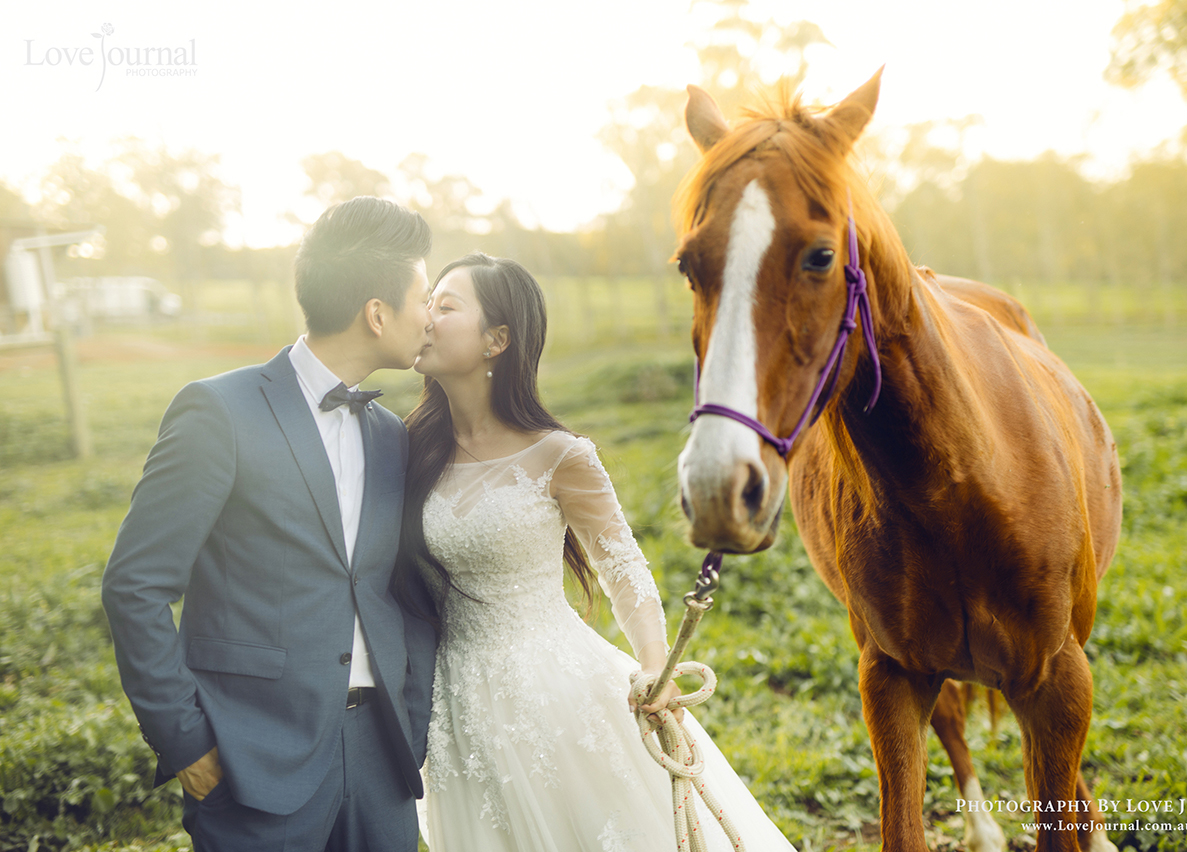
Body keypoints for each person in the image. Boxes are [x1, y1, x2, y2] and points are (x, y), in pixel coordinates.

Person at [396, 252, 795, 849]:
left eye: (446, 306)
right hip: (451, 706)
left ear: (496, 340)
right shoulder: (405, 449)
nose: (426, 317)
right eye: (427, 303)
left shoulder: (560, 455)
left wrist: (656, 664)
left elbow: (622, 566)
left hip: (556, 693)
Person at [101, 196, 438, 851]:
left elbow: (407, 594)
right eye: (423, 297)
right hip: (253, 762)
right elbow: (135, 585)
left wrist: (412, 720)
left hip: (382, 764)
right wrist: (185, 740)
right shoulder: (217, 412)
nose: (429, 317)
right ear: (377, 313)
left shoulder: (393, 436)